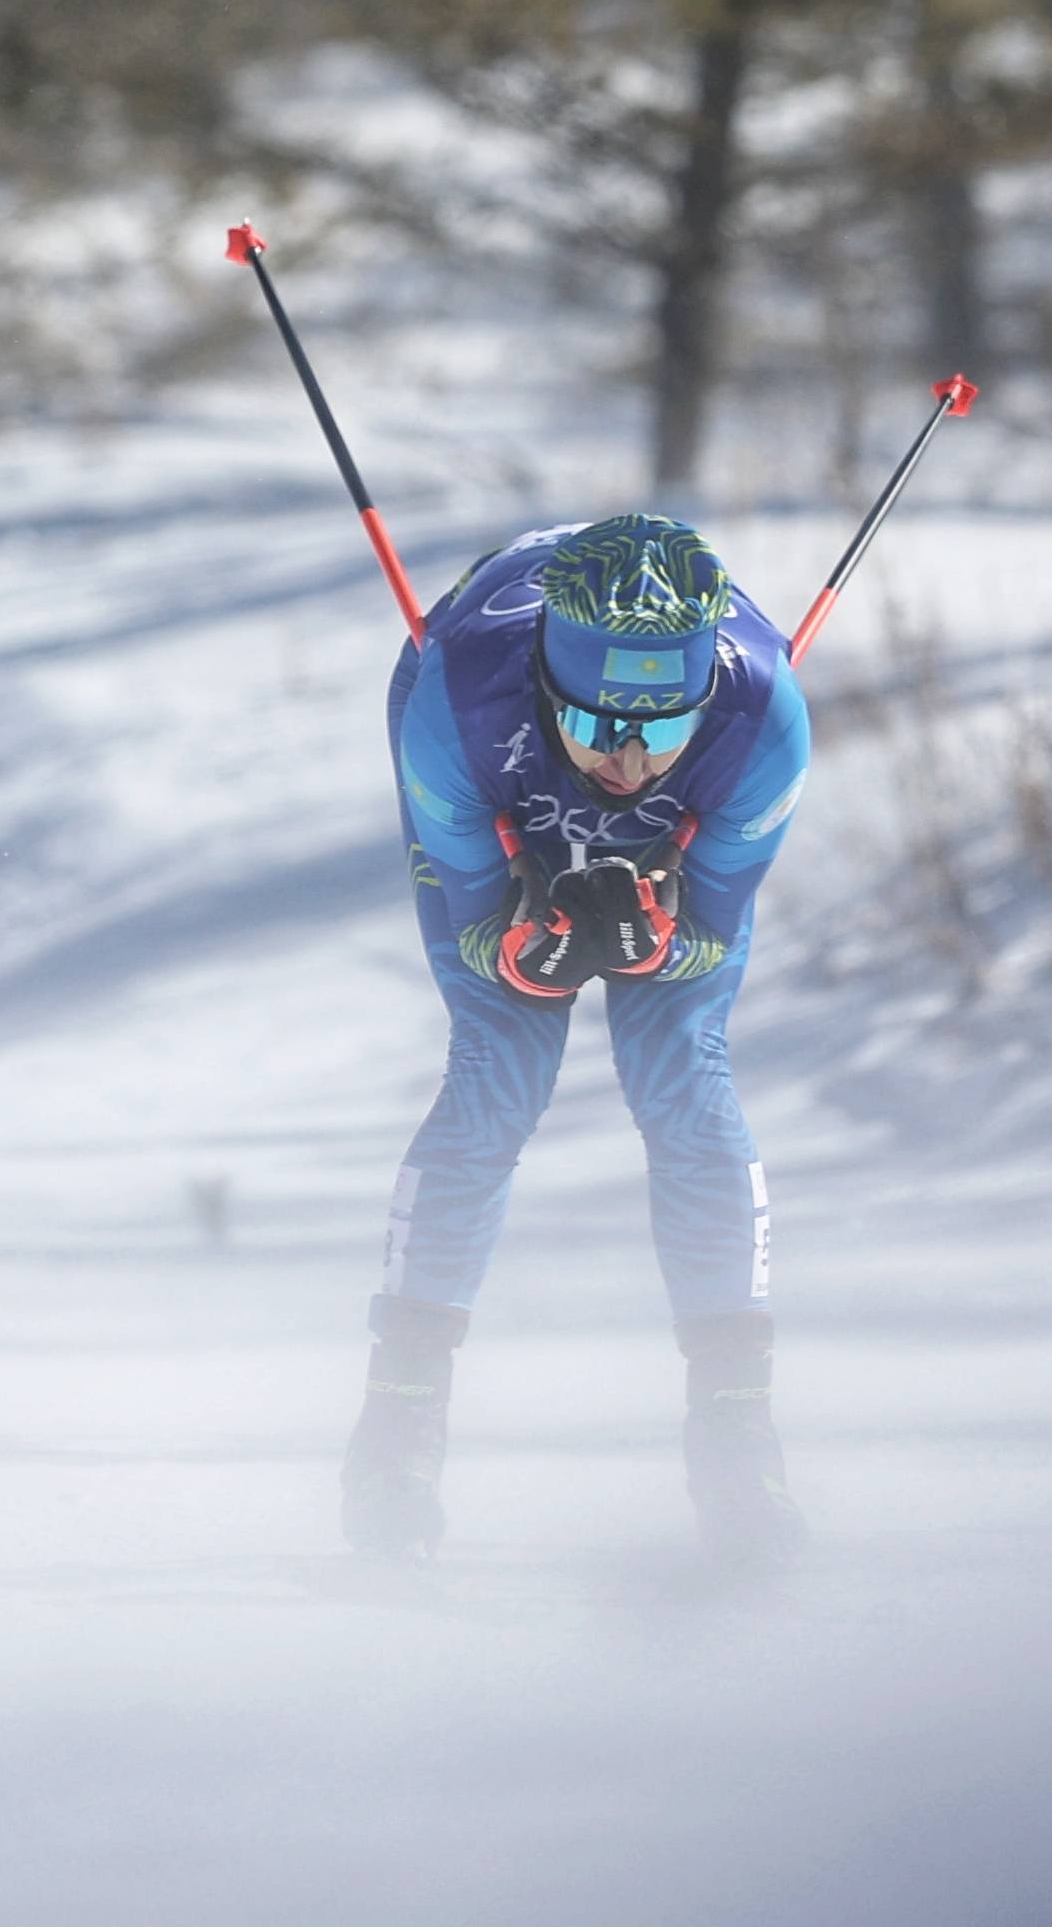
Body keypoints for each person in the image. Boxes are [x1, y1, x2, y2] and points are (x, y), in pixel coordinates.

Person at [344, 512, 812, 1572]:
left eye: (662, 729)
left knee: (684, 1075)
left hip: (664, 825)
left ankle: (739, 1435)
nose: (632, 761)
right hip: (494, 771)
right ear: (553, 689)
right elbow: (476, 925)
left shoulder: (765, 722)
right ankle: (398, 1425)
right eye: (600, 728)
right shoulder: (455, 701)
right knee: (499, 1072)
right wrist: (526, 949)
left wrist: (653, 944)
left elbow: (711, 936)